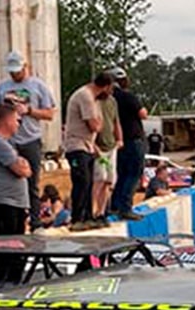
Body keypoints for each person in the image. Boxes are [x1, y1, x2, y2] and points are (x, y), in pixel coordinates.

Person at [0, 50, 57, 231]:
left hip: (30, 140)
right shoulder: (2, 87)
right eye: (12, 71)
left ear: (25, 66)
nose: (14, 74)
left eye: (17, 70)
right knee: (9, 184)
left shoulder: (38, 86)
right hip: (9, 142)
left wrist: (29, 111)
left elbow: (50, 113)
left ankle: (35, 222)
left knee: (32, 183)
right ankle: (15, 221)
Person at [0, 102, 32, 282]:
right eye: (17, 120)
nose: (19, 124)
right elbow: (22, 170)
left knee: (16, 254)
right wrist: (23, 165)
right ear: (7, 120)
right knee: (7, 254)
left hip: (13, 204)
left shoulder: (5, 143)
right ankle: (3, 288)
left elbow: (26, 167)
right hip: (3, 205)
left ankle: (11, 284)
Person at [63, 71, 113, 229]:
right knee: (81, 181)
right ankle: (77, 218)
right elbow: (94, 126)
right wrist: (98, 123)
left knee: (89, 182)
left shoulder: (94, 100)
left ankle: (88, 216)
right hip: (77, 146)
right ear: (105, 87)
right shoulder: (86, 97)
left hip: (88, 146)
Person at [110, 69, 148, 221]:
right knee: (133, 174)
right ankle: (125, 207)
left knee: (122, 174)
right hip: (133, 139)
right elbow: (143, 114)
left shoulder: (110, 98)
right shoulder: (128, 97)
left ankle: (115, 205)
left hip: (119, 141)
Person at [93, 82, 122, 220]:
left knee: (110, 180)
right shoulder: (94, 101)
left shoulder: (112, 101)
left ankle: (101, 211)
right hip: (98, 145)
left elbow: (116, 122)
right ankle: (92, 209)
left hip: (111, 146)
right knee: (100, 178)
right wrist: (93, 145)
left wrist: (119, 139)